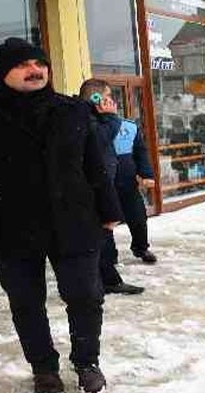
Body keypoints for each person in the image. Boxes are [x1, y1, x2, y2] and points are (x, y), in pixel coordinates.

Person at [0, 38, 122, 393]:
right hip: (11, 226)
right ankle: (44, 368)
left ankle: (86, 361)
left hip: (75, 221)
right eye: (24, 65)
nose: (35, 70)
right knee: (26, 303)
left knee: (86, 296)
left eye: (39, 63)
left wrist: (109, 210)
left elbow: (95, 166)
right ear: (3, 73)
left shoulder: (74, 110)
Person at [79, 79, 148, 295]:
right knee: (100, 235)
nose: (111, 101)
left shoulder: (91, 117)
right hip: (90, 188)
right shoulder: (86, 118)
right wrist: (109, 116)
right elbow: (99, 140)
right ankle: (103, 281)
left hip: (101, 184)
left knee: (104, 234)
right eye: (107, 96)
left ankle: (107, 278)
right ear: (96, 98)